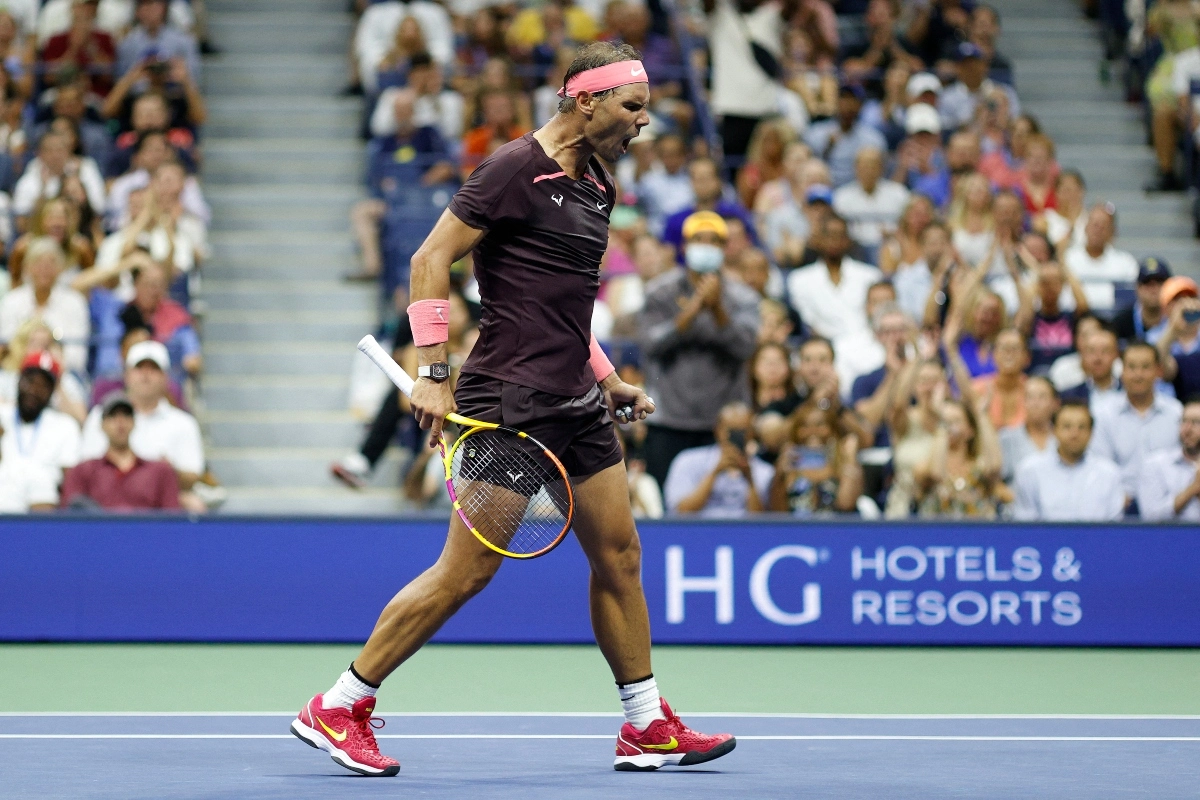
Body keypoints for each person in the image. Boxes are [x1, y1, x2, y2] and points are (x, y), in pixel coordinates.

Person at [291, 43, 735, 777]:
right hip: (510, 405)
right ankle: (339, 704)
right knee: (466, 573)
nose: (642, 122)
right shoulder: (510, 170)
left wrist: (608, 376)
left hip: (578, 402)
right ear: (585, 100)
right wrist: (433, 373)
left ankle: (646, 724)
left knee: (620, 556)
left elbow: (567, 308)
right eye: (632, 107)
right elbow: (429, 260)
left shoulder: (598, 187)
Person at [640, 210, 759, 488]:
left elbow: (746, 348)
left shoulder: (743, 297)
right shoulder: (660, 292)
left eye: (714, 241)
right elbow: (650, 344)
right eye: (698, 239)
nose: (705, 246)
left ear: (724, 247)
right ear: (684, 246)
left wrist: (718, 311)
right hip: (668, 420)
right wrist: (691, 312)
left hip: (720, 426)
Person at [79, 340, 207, 513]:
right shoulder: (100, 415)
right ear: (126, 374)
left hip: (160, 505)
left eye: (153, 369)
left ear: (165, 377)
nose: (145, 375)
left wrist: (165, 473)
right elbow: (86, 470)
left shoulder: (183, 423)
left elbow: (192, 476)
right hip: (105, 505)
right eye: (139, 368)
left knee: (194, 505)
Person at [1090, 342, 1184, 512]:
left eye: (1145, 367)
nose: (1138, 374)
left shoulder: (1176, 413)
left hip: (1169, 507)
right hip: (1117, 505)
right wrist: (1117, 495)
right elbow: (1099, 464)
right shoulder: (1103, 414)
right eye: (1131, 367)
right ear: (1122, 371)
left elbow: (1182, 462)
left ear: (1158, 371)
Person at [61, 392, 182, 511]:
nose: (120, 422)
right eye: (113, 416)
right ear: (102, 425)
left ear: (134, 423)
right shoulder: (83, 471)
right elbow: (69, 518)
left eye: (126, 415)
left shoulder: (160, 472)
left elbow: (171, 520)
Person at [1013, 401, 1124, 520]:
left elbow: (1114, 528)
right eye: (1067, 426)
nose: (1074, 434)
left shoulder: (1109, 473)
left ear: (1091, 432)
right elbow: (1024, 526)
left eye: (1081, 427)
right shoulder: (1030, 470)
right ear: (1053, 430)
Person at [662, 401, 773, 516]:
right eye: (731, 431)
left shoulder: (764, 472)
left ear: (751, 434)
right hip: (700, 531)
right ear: (718, 430)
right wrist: (715, 472)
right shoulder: (687, 461)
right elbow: (680, 512)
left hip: (743, 533)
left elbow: (761, 525)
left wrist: (750, 480)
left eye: (742, 431)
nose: (736, 437)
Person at [786, 214, 882, 345]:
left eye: (839, 235)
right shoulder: (799, 280)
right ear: (818, 240)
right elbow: (808, 323)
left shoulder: (870, 276)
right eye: (829, 235)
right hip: (823, 347)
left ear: (848, 240)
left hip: (867, 345)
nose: (834, 240)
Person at [0, 350, 81, 504]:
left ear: (52, 392)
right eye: (30, 381)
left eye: (43, 385)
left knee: (42, 486)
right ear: (19, 380)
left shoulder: (65, 426)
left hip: (43, 506)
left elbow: (70, 484)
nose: (34, 390)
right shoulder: (2, 416)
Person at [0, 236, 90, 373]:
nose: (44, 269)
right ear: (27, 267)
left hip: (62, 374)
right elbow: (6, 349)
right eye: (38, 263)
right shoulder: (11, 301)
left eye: (51, 263)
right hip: (15, 372)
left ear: (61, 268)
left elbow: (77, 358)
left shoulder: (75, 303)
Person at [767, 399, 863, 515]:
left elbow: (846, 505)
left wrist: (850, 459)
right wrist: (780, 475)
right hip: (797, 530)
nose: (812, 431)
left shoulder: (845, 463)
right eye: (804, 426)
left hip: (834, 530)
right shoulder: (788, 464)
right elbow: (778, 514)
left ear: (833, 430)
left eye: (820, 425)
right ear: (795, 432)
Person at [660, 156, 756, 262]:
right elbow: (668, 258)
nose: (703, 184)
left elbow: (753, 249)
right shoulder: (675, 221)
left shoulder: (736, 215)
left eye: (707, 178)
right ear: (690, 182)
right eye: (698, 179)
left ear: (719, 181)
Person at [802, 83, 888, 188]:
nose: (848, 105)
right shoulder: (816, 133)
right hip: (824, 192)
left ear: (860, 105)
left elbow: (881, 173)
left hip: (858, 193)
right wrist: (826, 148)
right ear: (836, 102)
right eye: (844, 99)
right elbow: (807, 168)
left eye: (852, 100)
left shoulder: (873, 138)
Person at [832, 146, 909, 258]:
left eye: (873, 166)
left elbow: (908, 227)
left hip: (890, 247)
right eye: (864, 166)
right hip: (853, 249)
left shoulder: (899, 194)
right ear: (856, 168)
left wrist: (894, 233)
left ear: (882, 168)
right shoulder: (841, 197)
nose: (869, 171)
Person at [1062, 203, 1138, 310]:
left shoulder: (1126, 263)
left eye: (1104, 226)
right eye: (1094, 224)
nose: (1098, 230)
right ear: (1085, 227)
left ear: (1112, 232)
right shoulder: (1068, 259)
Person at [1138, 399, 1200, 521]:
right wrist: (1193, 488)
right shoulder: (1156, 464)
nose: (1187, 429)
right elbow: (1150, 517)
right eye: (1183, 421)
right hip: (1170, 538)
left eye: (1196, 422)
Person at [998, 376, 1059, 484]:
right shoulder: (1006, 437)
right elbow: (996, 483)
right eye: (1030, 397)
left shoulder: (1063, 437)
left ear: (1055, 403)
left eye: (1042, 397)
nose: (1035, 403)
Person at [1156, 276, 1200, 404]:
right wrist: (1174, 329)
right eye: (1178, 300)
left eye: (1191, 297)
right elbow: (1159, 366)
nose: (1187, 304)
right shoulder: (1155, 336)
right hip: (1167, 404)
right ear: (1166, 306)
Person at [1059, 326, 1123, 410]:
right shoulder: (1068, 397)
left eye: (1105, 351)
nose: (1098, 358)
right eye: (1091, 351)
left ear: (1116, 354)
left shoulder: (1130, 392)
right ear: (1082, 355)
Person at [1113, 257, 1172, 345]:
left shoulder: (1180, 320)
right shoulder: (1121, 322)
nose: (1154, 290)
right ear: (1137, 288)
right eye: (1147, 283)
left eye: (1160, 283)